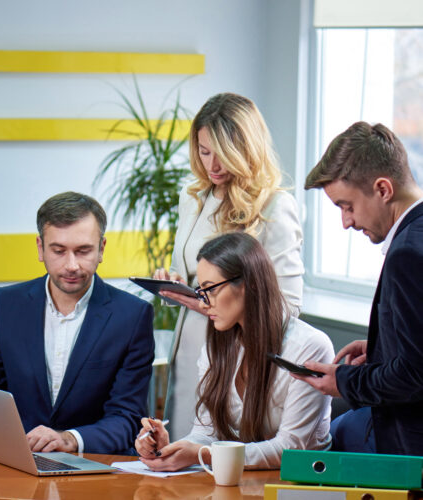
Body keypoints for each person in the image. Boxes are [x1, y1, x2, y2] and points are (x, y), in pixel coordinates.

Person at [0, 191, 154, 455]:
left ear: (102, 249)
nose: (71, 265)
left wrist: (70, 439)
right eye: (58, 251)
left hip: (94, 466)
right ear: (40, 248)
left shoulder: (132, 315)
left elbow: (128, 418)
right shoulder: (4, 305)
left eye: (83, 251)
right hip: (15, 462)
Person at [155, 93, 304, 439]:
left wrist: (215, 301)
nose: (212, 165)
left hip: (239, 354)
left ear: (246, 149)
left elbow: (290, 308)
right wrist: (172, 285)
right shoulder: (193, 198)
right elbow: (193, 274)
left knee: (226, 461)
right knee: (183, 452)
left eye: (222, 153)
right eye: (204, 152)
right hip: (190, 342)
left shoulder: (275, 206)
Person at [136, 232, 333, 470]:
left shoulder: (309, 347)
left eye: (211, 289)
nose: (203, 302)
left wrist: (205, 454)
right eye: (201, 291)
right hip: (239, 482)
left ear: (249, 284)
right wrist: (169, 449)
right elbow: (205, 433)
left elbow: (290, 449)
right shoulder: (217, 344)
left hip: (299, 484)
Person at [296, 121, 423, 455]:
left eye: (346, 205)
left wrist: (343, 381)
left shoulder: (407, 252)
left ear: (383, 189)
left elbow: (414, 374)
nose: (346, 222)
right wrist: (383, 347)